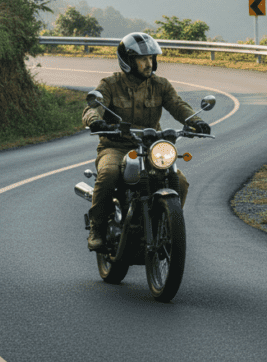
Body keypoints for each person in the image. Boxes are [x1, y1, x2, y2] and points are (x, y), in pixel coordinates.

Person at [81, 32, 210, 251]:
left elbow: (178, 105)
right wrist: (95, 121)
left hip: (151, 148)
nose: (148, 63)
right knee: (109, 173)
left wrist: (196, 121)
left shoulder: (161, 85)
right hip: (116, 146)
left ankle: (167, 226)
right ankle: (98, 229)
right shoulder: (111, 84)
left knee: (180, 181)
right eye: (143, 59)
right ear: (128, 61)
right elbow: (93, 106)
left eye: (151, 58)